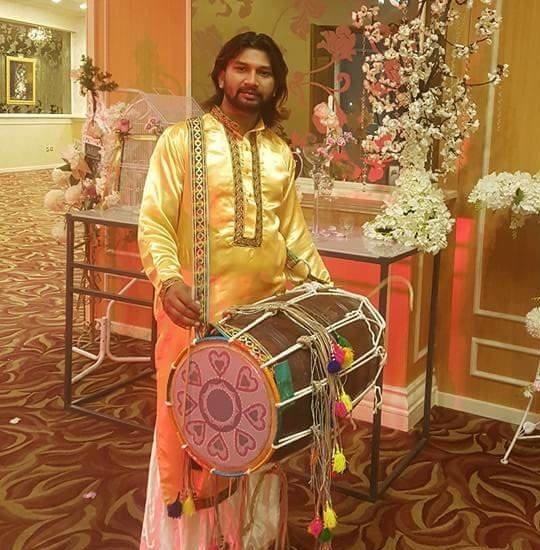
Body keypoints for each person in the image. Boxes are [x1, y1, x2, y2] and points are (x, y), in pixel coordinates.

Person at [138, 31, 330, 549]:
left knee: (257, 429)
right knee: (194, 434)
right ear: (221, 73)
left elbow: (293, 240)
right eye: (241, 68)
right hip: (195, 320)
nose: (251, 80)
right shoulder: (181, 141)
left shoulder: (279, 154)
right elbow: (155, 222)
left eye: (263, 72)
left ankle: (248, 539)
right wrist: (168, 280)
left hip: (264, 329)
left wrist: (327, 295)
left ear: (276, 84)